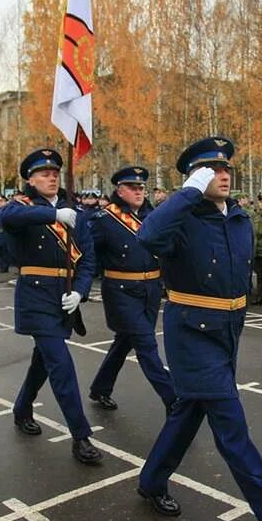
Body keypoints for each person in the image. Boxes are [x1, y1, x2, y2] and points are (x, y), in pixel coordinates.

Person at [135, 136, 262, 521]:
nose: (224, 175)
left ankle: (151, 482)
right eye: (212, 170)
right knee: (231, 425)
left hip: (227, 331)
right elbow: (148, 236)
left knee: (187, 412)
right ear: (195, 177)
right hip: (192, 334)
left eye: (227, 168)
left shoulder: (238, 218)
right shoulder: (181, 219)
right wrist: (187, 193)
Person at [0, 149, 101, 465]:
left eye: (55, 172)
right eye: (43, 174)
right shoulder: (24, 208)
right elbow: (7, 219)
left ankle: (22, 407)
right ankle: (81, 436)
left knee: (43, 361)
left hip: (64, 298)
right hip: (36, 297)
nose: (51, 177)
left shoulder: (74, 213)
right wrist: (52, 215)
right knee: (61, 364)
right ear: (30, 179)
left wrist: (81, 291)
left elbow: (88, 259)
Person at [87, 166, 175, 413]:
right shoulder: (104, 219)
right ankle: (173, 399)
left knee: (124, 342)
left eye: (141, 187)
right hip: (121, 291)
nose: (139, 192)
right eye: (133, 187)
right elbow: (86, 253)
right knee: (146, 345)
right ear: (120, 190)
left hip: (150, 289)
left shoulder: (151, 216)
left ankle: (101, 388)